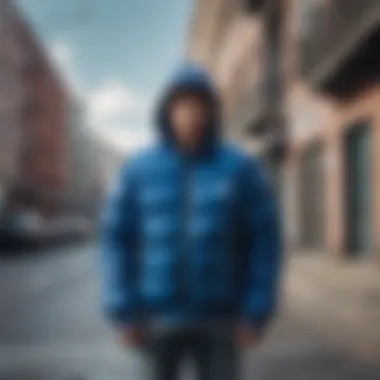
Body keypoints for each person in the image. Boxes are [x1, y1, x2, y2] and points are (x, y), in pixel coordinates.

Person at [101, 62, 282, 380]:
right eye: (182, 105)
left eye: (200, 105)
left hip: (221, 320)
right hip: (156, 319)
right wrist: (123, 310)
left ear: (211, 112)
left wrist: (256, 310)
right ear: (167, 111)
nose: (191, 114)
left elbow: (264, 241)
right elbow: (117, 240)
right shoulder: (138, 171)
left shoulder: (239, 169)